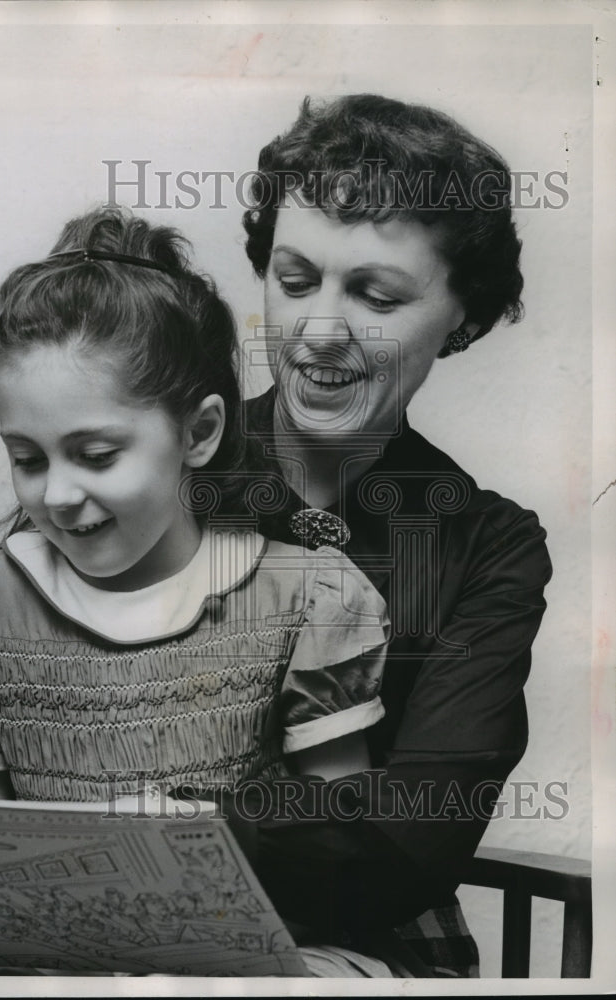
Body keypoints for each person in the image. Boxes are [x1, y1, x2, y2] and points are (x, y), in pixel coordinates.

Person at [0, 206, 392, 976]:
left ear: (197, 434)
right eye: (27, 457)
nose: (58, 494)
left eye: (96, 454)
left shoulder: (304, 597)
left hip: (256, 960)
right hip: (51, 968)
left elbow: (343, 850)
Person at [219, 93, 553, 976]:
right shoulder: (137, 470)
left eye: (375, 294)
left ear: (464, 321)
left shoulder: (485, 547)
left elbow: (410, 845)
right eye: (293, 281)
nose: (317, 332)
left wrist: (157, 819)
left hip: (359, 943)